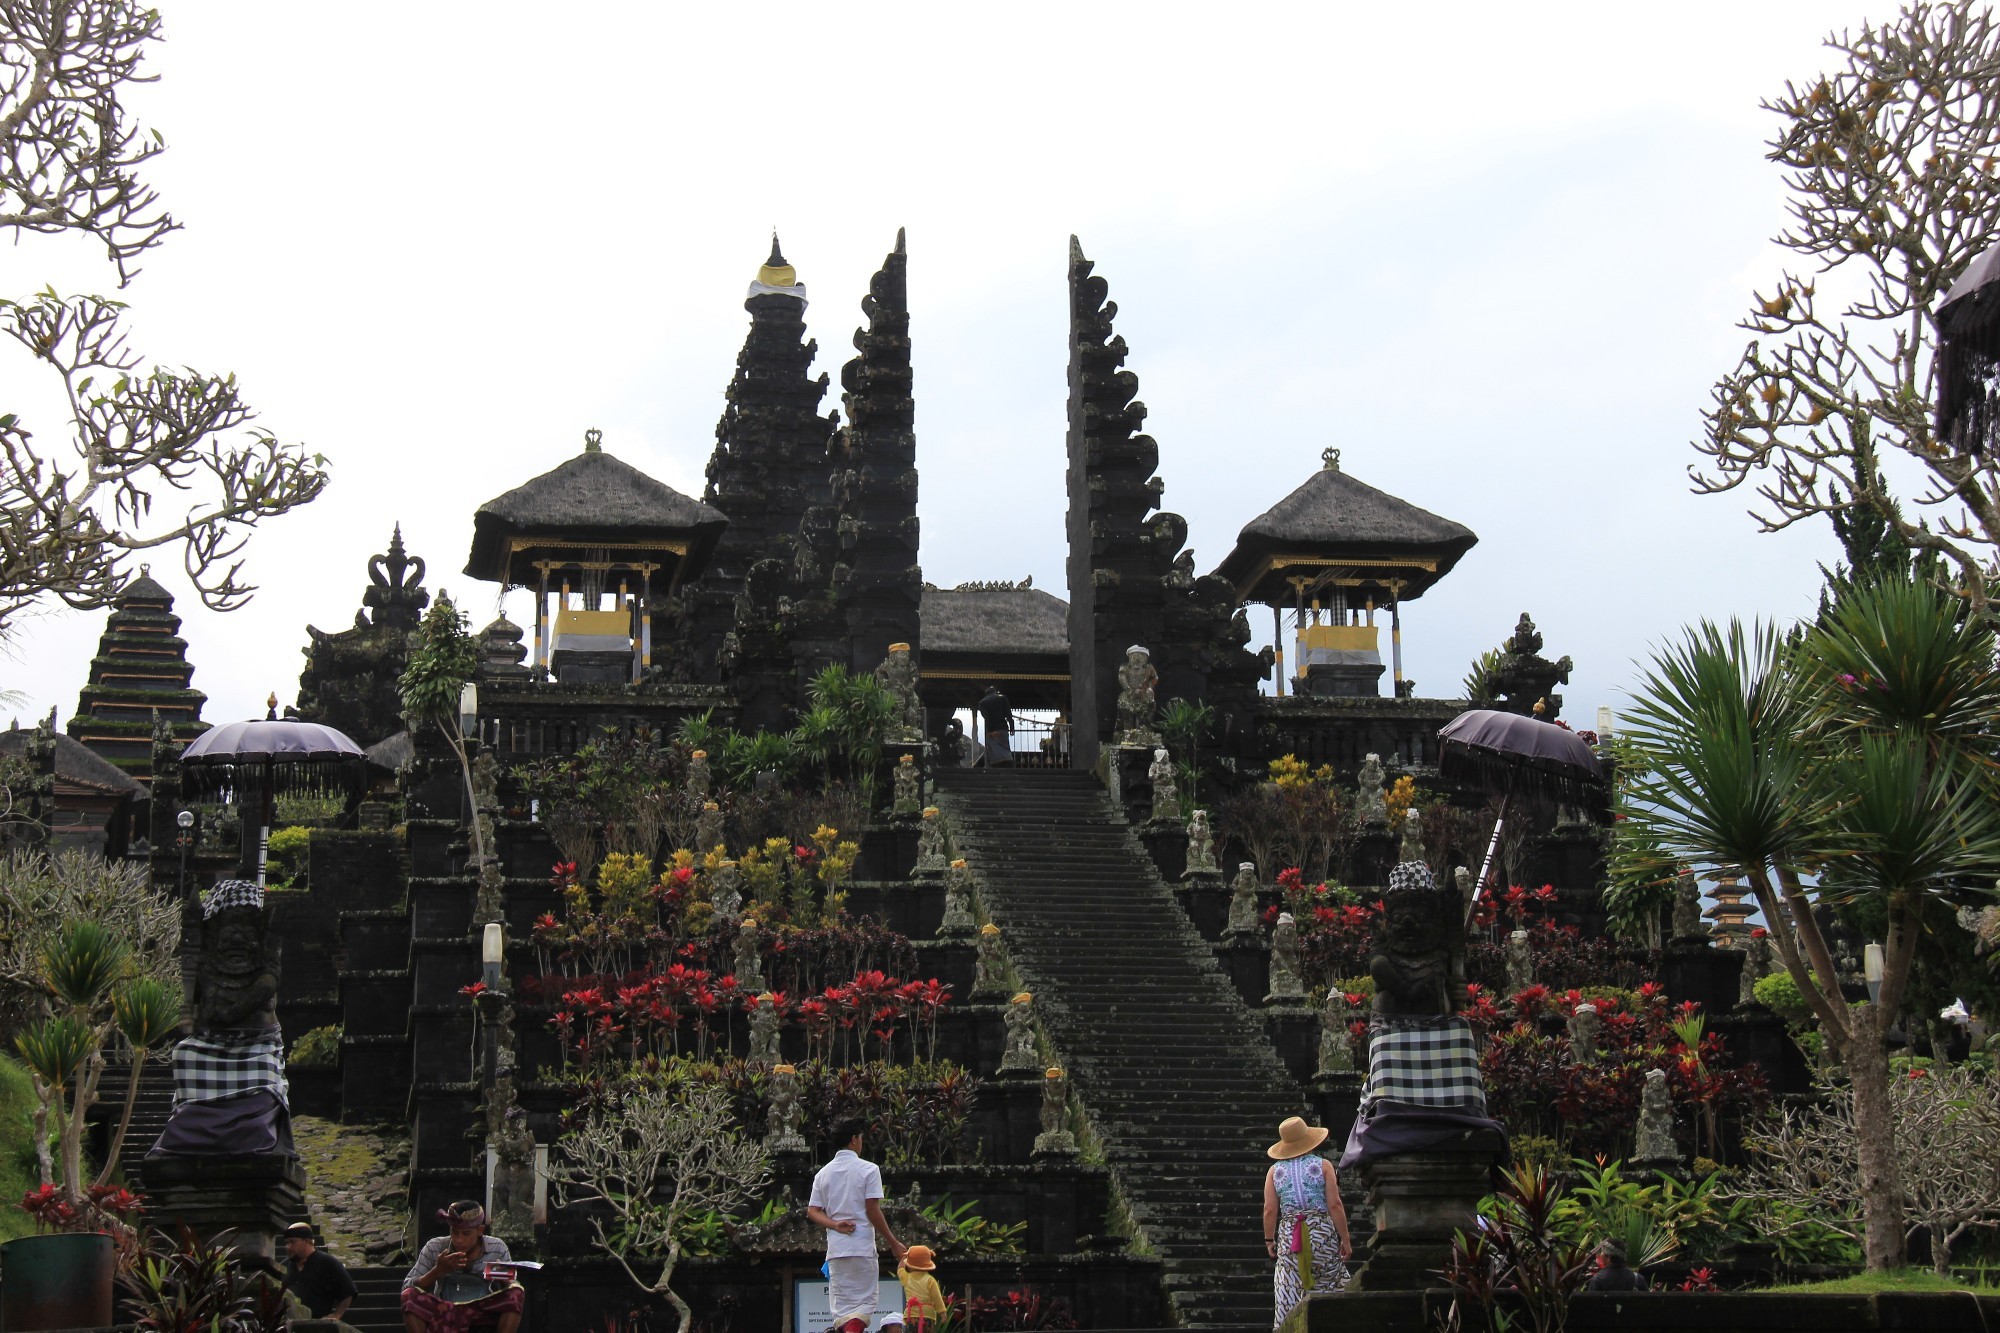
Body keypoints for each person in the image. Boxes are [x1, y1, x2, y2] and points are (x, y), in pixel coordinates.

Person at [807, 1118, 907, 1333]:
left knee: (842, 1310)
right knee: (865, 1304)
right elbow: (872, 1210)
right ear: (854, 1140)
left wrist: (834, 1224)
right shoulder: (869, 1170)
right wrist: (893, 1242)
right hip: (861, 1246)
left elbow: (813, 1211)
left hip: (836, 1250)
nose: (862, 1142)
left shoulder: (822, 1174)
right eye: (861, 1138)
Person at [1263, 1116, 1352, 1328]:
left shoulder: (1275, 1172)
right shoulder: (1323, 1166)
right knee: (1328, 1281)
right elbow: (1335, 1205)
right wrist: (1345, 1239)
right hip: (1320, 1232)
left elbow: (1269, 1209)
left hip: (1289, 1235)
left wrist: (1269, 1239)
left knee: (1288, 1287)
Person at [401, 1200, 525, 1333]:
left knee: (517, 1292)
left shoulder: (497, 1248)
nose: (459, 1240)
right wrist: (438, 1271)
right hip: (444, 1308)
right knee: (409, 1295)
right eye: (455, 1233)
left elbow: (512, 1286)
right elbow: (408, 1286)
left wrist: (503, 1277)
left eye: (466, 1234)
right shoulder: (435, 1247)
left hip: (482, 1308)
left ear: (479, 1230)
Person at [280, 1221, 356, 1322]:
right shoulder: (284, 1266)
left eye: (292, 1242)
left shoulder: (328, 1263)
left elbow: (348, 1291)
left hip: (317, 1324)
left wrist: (337, 1315)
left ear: (306, 1241)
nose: (288, 1247)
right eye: (287, 1243)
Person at [897, 1243, 945, 1331]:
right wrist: (942, 1313)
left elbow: (900, 1269)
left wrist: (904, 1257)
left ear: (909, 1264)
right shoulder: (930, 1280)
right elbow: (937, 1297)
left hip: (911, 1316)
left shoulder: (907, 1277)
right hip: (927, 1315)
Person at [976, 686, 1013, 768]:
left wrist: (990, 732)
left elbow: (987, 718)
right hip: (1003, 727)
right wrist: (1012, 727)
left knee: (994, 751)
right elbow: (1009, 714)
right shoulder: (1003, 698)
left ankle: (994, 768)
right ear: (995, 692)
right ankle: (1008, 767)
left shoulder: (982, 703)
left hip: (992, 730)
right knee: (1006, 748)